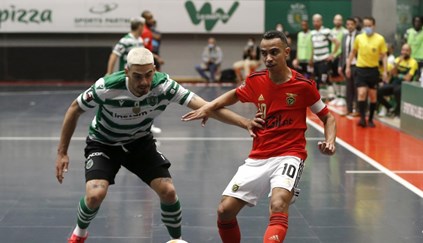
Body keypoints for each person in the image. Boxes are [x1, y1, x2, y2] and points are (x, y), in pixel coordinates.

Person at [56, 47, 258, 243]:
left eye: (148, 75)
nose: (144, 82)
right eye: (137, 76)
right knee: (95, 195)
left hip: (139, 142)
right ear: (127, 72)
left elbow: (208, 107)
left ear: (154, 70)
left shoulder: (164, 86)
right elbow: (74, 109)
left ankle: (176, 240)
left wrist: (245, 123)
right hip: (104, 142)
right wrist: (62, 152)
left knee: (168, 191)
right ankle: (79, 233)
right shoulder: (106, 87)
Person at [182, 31, 336, 243]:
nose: (268, 58)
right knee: (224, 210)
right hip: (259, 156)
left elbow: (328, 118)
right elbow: (235, 95)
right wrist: (209, 106)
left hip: (289, 154)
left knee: (278, 203)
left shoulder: (303, 85)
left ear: (287, 53)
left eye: (274, 52)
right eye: (264, 53)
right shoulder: (256, 80)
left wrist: (330, 141)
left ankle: (287, 189)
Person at [346, 16, 388, 128]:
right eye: (365, 25)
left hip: (373, 71)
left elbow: (384, 56)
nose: (367, 28)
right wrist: (348, 67)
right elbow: (352, 53)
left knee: (373, 96)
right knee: (361, 93)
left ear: (373, 26)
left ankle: (370, 119)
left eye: (369, 25)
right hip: (361, 69)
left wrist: (385, 71)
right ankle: (362, 119)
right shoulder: (359, 38)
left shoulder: (380, 39)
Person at [378, 43, 418, 117]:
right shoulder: (397, 60)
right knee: (378, 91)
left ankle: (398, 112)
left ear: (410, 52)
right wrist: (398, 63)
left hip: (405, 85)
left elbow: (408, 78)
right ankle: (389, 108)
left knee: (397, 90)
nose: (404, 52)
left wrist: (398, 75)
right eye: (403, 50)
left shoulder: (413, 62)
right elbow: (391, 73)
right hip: (394, 83)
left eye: (407, 50)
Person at [310, 14, 340, 98]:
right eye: (314, 21)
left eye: (317, 21)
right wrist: (311, 59)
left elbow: (337, 42)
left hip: (324, 60)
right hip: (316, 60)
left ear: (321, 21)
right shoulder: (312, 33)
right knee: (317, 80)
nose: (315, 23)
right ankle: (326, 97)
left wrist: (332, 55)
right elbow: (313, 47)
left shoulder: (327, 31)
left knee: (323, 79)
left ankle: (325, 100)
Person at [338, 17, 360, 116]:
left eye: (351, 24)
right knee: (349, 88)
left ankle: (358, 110)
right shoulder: (345, 36)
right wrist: (340, 65)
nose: (349, 26)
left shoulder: (360, 36)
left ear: (355, 25)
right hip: (347, 65)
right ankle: (349, 109)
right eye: (348, 24)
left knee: (357, 88)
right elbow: (343, 53)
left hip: (358, 64)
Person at [405, 16, 423, 81]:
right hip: (411, 59)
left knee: (419, 78)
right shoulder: (408, 32)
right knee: (409, 77)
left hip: (421, 60)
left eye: (419, 21)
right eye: (415, 21)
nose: (417, 23)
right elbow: (404, 43)